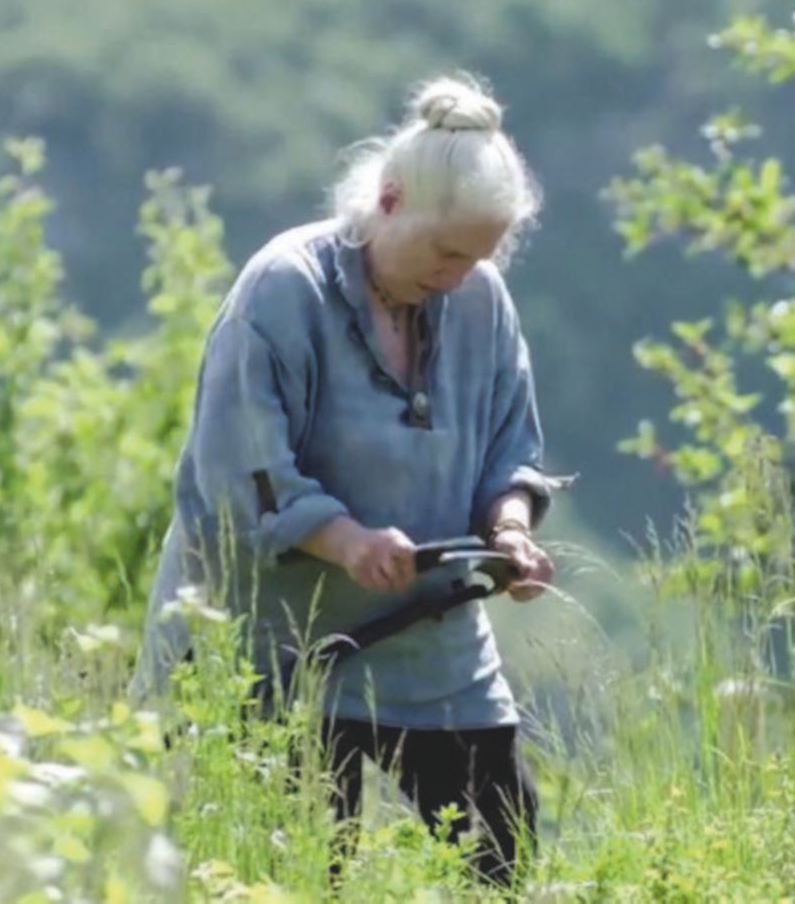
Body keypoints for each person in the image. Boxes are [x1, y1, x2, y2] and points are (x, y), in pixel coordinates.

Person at [129, 71, 571, 891]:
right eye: (447, 251)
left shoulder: (480, 296)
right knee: (293, 877)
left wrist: (511, 528)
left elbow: (511, 443)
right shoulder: (282, 288)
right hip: (271, 647)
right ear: (391, 201)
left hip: (428, 638)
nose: (459, 273)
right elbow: (237, 469)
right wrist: (346, 539)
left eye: (480, 255)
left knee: (500, 855)